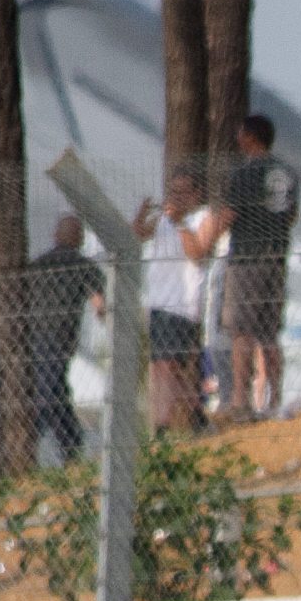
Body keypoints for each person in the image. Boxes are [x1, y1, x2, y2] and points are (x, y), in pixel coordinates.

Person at [209, 113, 297, 420]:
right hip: (275, 258)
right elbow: (291, 216)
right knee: (270, 333)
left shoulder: (245, 172)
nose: (237, 139)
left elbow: (230, 214)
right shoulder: (286, 173)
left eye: (240, 134)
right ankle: (275, 398)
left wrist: (208, 237)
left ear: (250, 137)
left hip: (246, 258)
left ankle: (239, 401)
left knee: (241, 332)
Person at [135, 170, 214, 431]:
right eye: (173, 192)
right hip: (158, 301)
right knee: (160, 366)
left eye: (183, 192)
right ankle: (192, 414)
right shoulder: (163, 219)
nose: (177, 198)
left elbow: (198, 254)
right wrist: (142, 213)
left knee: (171, 365)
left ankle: (163, 424)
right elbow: (138, 233)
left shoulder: (202, 218)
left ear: (196, 194)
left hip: (182, 304)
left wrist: (180, 223)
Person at [23, 215, 104, 465]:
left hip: (33, 338)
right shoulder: (83, 265)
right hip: (59, 340)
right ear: (78, 238)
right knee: (51, 393)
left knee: (51, 391)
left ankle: (69, 446)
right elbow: (100, 304)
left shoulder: (37, 265)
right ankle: (65, 445)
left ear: (56, 236)